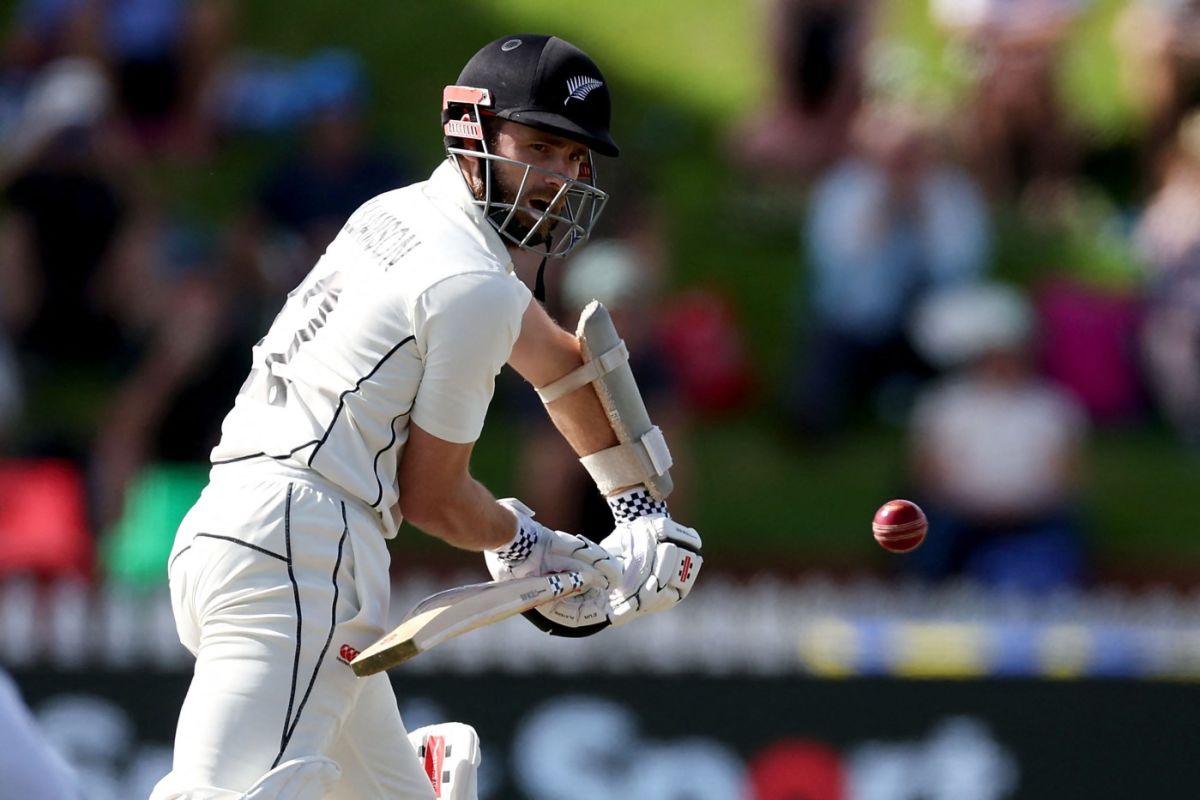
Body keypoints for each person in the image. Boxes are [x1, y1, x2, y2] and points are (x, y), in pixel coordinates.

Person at [151, 34, 702, 800]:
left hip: (241, 533)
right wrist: (530, 545)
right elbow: (434, 497)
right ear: (471, 130)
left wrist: (641, 512)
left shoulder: (399, 213)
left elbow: (566, 363)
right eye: (540, 146)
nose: (561, 178)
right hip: (300, 552)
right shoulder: (469, 282)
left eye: (578, 158)